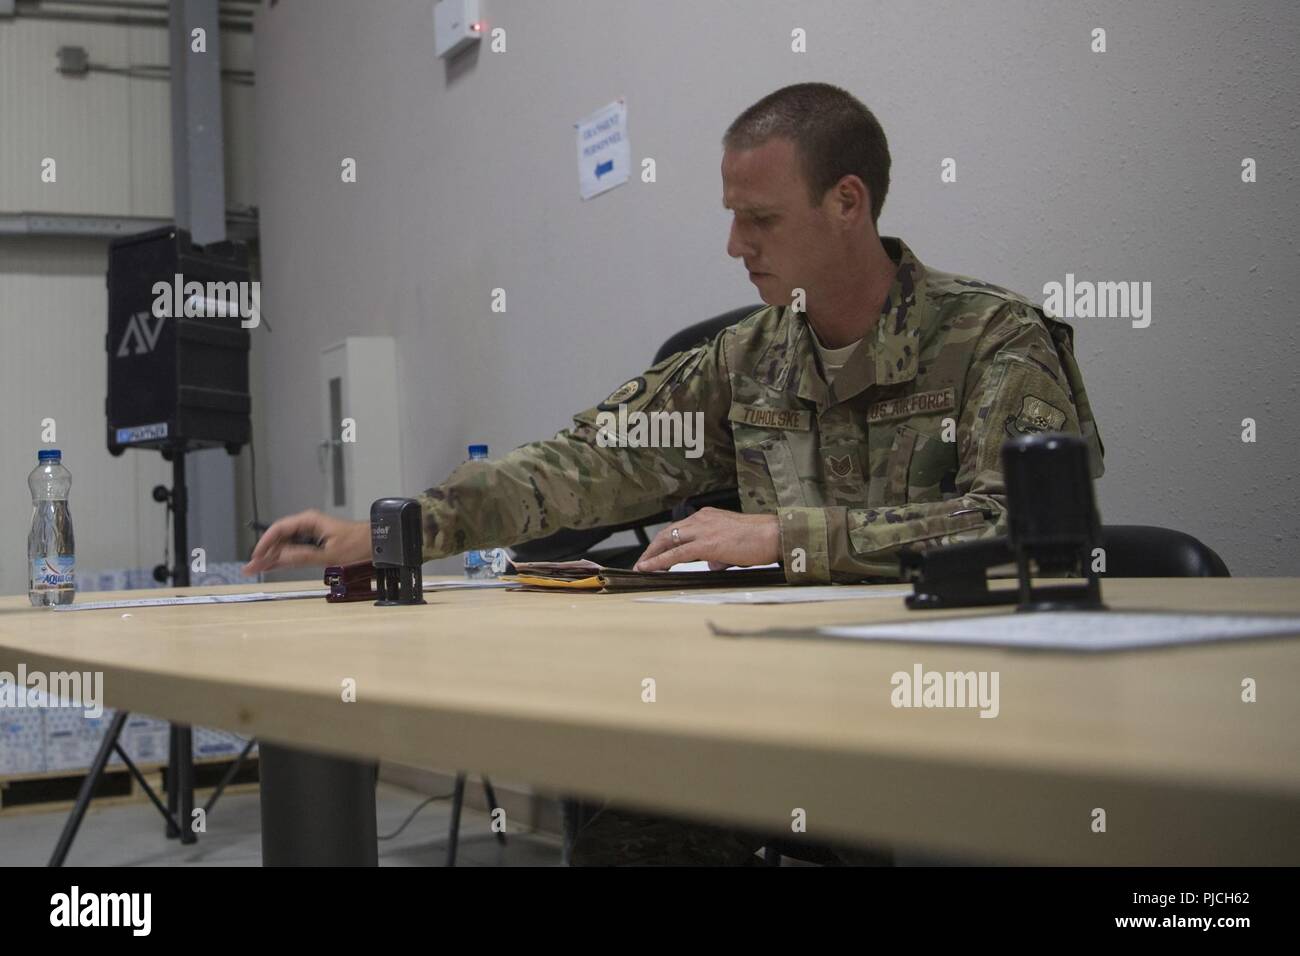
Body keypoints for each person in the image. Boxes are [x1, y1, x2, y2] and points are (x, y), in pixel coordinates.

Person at [244, 82, 1103, 863]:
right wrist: (393, 532)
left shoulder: (992, 339)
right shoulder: (746, 358)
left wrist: (781, 534)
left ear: (849, 203)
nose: (735, 245)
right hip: (781, 708)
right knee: (630, 805)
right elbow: (588, 460)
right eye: (732, 216)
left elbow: (1022, 532)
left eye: (760, 220)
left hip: (953, 714)